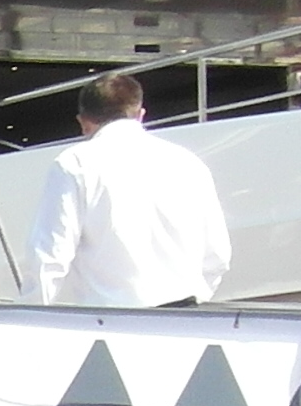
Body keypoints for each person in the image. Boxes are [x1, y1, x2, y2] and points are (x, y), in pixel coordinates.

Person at [26, 71, 230, 307]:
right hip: (183, 316)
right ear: (141, 115)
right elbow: (217, 254)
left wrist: (27, 316)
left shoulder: (74, 164)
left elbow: (50, 255)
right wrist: (195, 297)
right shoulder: (189, 163)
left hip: (109, 321)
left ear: (83, 123)